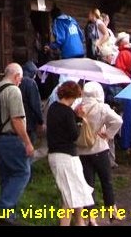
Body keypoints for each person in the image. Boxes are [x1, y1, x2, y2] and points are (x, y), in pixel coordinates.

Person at [0, 63, 35, 224]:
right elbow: (16, 120)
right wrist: (27, 142)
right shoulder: (13, 90)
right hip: (10, 138)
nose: (20, 82)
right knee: (22, 172)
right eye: (20, 79)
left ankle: (8, 214)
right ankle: (1, 209)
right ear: (16, 76)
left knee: (6, 175)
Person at [46, 81, 94, 226]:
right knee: (70, 196)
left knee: (76, 193)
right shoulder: (67, 112)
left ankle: (80, 223)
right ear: (73, 95)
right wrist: (79, 121)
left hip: (54, 154)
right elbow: (74, 135)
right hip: (66, 156)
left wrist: (76, 116)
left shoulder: (53, 108)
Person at [77, 82, 124, 223]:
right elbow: (118, 120)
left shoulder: (78, 107)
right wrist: (108, 134)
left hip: (82, 151)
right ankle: (111, 212)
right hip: (100, 149)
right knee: (106, 182)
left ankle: (90, 218)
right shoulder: (102, 108)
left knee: (88, 185)